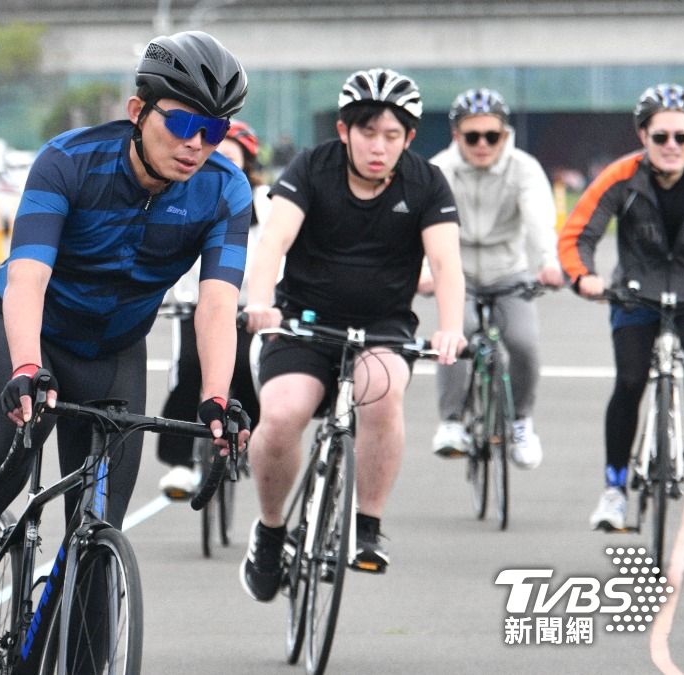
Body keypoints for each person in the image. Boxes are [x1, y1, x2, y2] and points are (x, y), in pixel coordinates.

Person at [0, 30, 253, 640]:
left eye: (214, 131)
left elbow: (217, 303)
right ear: (138, 112)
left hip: (116, 350)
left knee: (99, 544)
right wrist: (25, 367)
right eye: (182, 123)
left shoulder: (225, 190)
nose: (195, 145)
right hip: (28, 327)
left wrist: (215, 395)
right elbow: (27, 278)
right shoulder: (68, 161)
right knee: (25, 427)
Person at [240, 68, 466, 600]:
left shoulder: (427, 183)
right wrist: (259, 303)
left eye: (393, 136)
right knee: (281, 415)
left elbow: (446, 263)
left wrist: (451, 329)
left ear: (409, 138)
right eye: (368, 133)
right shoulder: (310, 168)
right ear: (344, 131)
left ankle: (367, 527)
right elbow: (273, 240)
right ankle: (271, 531)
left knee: (382, 393)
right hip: (302, 321)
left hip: (384, 326)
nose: (379, 147)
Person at [559, 83, 684, 530]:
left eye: (682, 136)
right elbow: (577, 235)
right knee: (629, 381)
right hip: (634, 293)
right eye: (660, 136)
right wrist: (584, 277)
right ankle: (614, 490)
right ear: (643, 135)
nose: (671, 146)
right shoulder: (620, 177)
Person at [424, 88, 564, 469]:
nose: (483, 144)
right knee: (458, 333)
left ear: (506, 135)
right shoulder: (439, 170)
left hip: (509, 270)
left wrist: (547, 263)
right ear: (456, 137)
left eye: (493, 136)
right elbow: (424, 228)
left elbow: (538, 220)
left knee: (523, 343)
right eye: (472, 136)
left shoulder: (524, 168)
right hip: (458, 271)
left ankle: (521, 421)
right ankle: (452, 422)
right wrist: (425, 274)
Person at [157, 120, 266, 498]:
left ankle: (247, 435)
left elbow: (276, 256)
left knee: (248, 368)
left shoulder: (265, 206)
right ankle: (181, 462)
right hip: (193, 303)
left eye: (233, 161)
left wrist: (266, 304)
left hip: (248, 308)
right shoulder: (182, 196)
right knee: (188, 367)